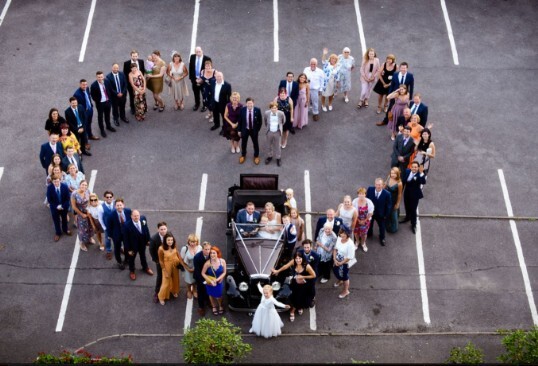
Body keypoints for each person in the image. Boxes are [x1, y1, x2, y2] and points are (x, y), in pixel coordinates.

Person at [272, 251, 315, 322]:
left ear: (302, 258)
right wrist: (277, 271)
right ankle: (298, 307)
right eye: (296, 258)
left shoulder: (306, 266)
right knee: (295, 297)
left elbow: (313, 275)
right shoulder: (293, 262)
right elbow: (285, 266)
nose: (298, 260)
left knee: (301, 298)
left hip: (304, 286)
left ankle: (292, 311)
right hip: (295, 284)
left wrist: (302, 276)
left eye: (299, 258)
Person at [376, 61, 414, 127]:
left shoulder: (410, 76)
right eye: (402, 68)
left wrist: (410, 97)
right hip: (395, 95)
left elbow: (411, 87)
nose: (403, 69)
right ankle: (385, 121)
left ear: (407, 68)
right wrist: (390, 94)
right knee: (390, 109)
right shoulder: (395, 74)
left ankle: (401, 124)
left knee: (403, 111)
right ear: (399, 68)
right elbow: (392, 85)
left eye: (404, 68)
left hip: (404, 96)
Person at [123, 210, 154, 281]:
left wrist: (148, 240)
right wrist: (128, 250)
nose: (136, 217)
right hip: (132, 246)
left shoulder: (143, 219)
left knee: (143, 255)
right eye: (134, 216)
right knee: (131, 259)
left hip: (142, 243)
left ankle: (145, 267)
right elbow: (125, 239)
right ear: (131, 216)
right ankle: (132, 271)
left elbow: (146, 229)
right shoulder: (126, 225)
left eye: (137, 215)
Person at [400, 162, 426, 234]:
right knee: (407, 207)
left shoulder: (419, 174)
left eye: (415, 167)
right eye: (413, 167)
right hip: (407, 193)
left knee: (413, 210)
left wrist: (421, 173)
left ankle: (413, 224)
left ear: (418, 168)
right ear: (410, 167)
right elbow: (403, 181)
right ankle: (407, 217)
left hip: (415, 195)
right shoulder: (407, 171)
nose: (414, 168)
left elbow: (423, 182)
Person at [366, 178, 392, 246]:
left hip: (381, 214)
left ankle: (382, 238)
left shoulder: (387, 194)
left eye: (380, 185)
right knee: (370, 224)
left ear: (383, 185)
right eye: (377, 184)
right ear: (375, 184)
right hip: (371, 213)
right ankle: (369, 233)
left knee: (382, 226)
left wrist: (386, 215)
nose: (378, 186)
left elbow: (388, 206)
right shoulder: (370, 189)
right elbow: (367, 200)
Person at [201, 246, 227, 315]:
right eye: (211, 253)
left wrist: (218, 279)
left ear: (217, 253)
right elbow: (203, 273)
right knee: (211, 295)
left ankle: (220, 305)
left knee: (219, 295)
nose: (212, 255)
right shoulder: (207, 263)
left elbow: (224, 272)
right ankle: (214, 306)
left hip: (219, 282)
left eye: (214, 253)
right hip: (210, 283)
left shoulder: (222, 261)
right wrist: (210, 280)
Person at [107, 198, 131, 270]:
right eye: (117, 205)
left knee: (127, 247)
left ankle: (126, 260)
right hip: (116, 235)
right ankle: (119, 262)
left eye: (120, 205)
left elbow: (131, 221)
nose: (119, 207)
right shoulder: (111, 215)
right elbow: (109, 226)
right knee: (117, 249)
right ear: (115, 206)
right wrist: (110, 235)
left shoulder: (128, 211)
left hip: (126, 234)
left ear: (123, 205)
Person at [90, 71, 115, 138]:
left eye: (101, 77)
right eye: (99, 77)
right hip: (100, 103)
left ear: (103, 76)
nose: (100, 78)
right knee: (100, 117)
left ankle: (108, 126)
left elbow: (110, 90)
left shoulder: (107, 81)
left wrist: (110, 99)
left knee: (107, 114)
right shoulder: (93, 85)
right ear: (96, 77)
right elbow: (93, 95)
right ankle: (102, 130)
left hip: (107, 101)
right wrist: (98, 101)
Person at [238, 97, 263, 165]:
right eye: (248, 103)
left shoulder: (257, 110)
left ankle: (256, 156)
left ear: (253, 103)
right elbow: (239, 121)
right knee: (243, 143)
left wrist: (257, 130)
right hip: (245, 129)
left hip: (253, 130)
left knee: (255, 144)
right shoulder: (242, 110)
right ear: (246, 104)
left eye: (251, 103)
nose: (250, 105)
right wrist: (239, 130)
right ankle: (243, 155)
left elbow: (260, 121)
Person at [46, 176, 72, 242]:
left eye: (57, 181)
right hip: (55, 208)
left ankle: (65, 230)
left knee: (64, 219)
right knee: (56, 220)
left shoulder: (64, 187)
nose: (56, 183)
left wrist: (63, 206)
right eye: (54, 182)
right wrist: (56, 206)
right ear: (52, 182)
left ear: (60, 180)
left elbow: (67, 198)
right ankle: (58, 233)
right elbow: (49, 200)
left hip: (63, 207)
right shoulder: (50, 188)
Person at [71, 180, 94, 252]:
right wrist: (82, 214)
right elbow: (74, 207)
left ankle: (89, 238)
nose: (84, 186)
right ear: (79, 185)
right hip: (81, 213)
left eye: (85, 185)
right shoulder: (74, 194)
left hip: (88, 212)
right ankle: (81, 243)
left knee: (90, 226)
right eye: (82, 185)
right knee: (82, 230)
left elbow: (90, 200)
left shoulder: (88, 191)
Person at [158, 233, 181, 304]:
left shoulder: (174, 245)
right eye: (168, 240)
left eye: (171, 240)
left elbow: (177, 253)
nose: (170, 241)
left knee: (175, 279)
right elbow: (161, 261)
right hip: (166, 266)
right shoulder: (161, 249)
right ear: (165, 240)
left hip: (175, 265)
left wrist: (180, 262)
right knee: (166, 282)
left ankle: (174, 291)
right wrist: (164, 270)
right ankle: (161, 297)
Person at [149, 221, 169, 303]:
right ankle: (157, 293)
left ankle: (169, 290)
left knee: (169, 274)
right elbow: (151, 251)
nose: (163, 231)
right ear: (158, 230)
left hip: (168, 259)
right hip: (160, 261)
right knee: (160, 276)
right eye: (161, 229)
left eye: (165, 229)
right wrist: (157, 261)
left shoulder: (169, 235)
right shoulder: (154, 239)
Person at [333, 227, 355, 298]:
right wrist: (334, 259)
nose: (342, 236)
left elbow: (349, 257)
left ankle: (346, 291)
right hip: (337, 260)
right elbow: (335, 249)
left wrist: (341, 263)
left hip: (345, 263)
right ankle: (340, 280)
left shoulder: (350, 244)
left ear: (348, 235)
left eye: (344, 235)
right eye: (341, 234)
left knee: (345, 277)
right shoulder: (339, 238)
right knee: (336, 271)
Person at [352, 188, 374, 252]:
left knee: (364, 233)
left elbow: (371, 213)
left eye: (363, 194)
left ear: (365, 194)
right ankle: (357, 242)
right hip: (356, 220)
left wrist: (364, 220)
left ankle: (363, 243)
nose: (361, 195)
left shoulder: (369, 202)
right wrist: (358, 220)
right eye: (360, 194)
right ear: (358, 194)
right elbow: (353, 212)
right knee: (356, 232)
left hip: (366, 220)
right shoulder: (355, 201)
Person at [123, 49, 145, 115]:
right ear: (131, 56)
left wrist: (142, 82)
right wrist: (129, 83)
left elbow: (142, 71)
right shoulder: (126, 63)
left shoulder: (141, 61)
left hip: (140, 83)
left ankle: (142, 107)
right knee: (132, 96)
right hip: (131, 83)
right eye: (133, 56)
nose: (134, 57)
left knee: (141, 95)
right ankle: (132, 108)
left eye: (136, 56)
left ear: (138, 56)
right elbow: (125, 74)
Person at [189, 46, 210, 111]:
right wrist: (192, 79)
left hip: (203, 80)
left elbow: (208, 71)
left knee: (204, 93)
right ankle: (197, 104)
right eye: (196, 52)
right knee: (196, 93)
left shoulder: (207, 59)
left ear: (202, 51)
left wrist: (202, 79)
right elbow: (191, 68)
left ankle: (205, 105)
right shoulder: (192, 57)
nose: (198, 53)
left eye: (199, 51)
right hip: (195, 79)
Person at [181, 234, 202, 299]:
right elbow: (181, 260)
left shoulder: (200, 247)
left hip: (197, 268)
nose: (193, 243)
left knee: (195, 280)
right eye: (191, 242)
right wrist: (188, 269)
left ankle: (195, 290)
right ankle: (189, 290)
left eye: (194, 242)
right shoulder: (185, 248)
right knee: (189, 281)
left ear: (197, 242)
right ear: (188, 241)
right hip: (188, 268)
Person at [264, 101, 285, 166]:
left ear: (277, 108)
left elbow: (283, 121)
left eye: (275, 108)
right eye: (272, 108)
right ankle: (270, 156)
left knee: (277, 146)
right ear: (270, 108)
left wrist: (280, 128)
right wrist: (268, 129)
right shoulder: (266, 113)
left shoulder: (281, 113)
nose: (274, 109)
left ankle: (278, 158)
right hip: (269, 131)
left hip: (277, 132)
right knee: (268, 145)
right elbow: (265, 121)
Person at [193, 242, 212, 316]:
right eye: (206, 249)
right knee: (200, 292)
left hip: (209, 276)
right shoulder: (197, 257)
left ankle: (208, 301)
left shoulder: (211, 255)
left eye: (209, 249)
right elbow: (197, 271)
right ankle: (201, 307)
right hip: (200, 278)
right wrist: (203, 281)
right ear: (202, 249)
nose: (207, 251)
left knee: (209, 290)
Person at [385, 168, 403, 234]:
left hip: (393, 200)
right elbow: (385, 184)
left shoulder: (399, 183)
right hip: (387, 199)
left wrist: (397, 204)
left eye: (394, 173)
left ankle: (394, 228)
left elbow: (399, 194)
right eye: (391, 173)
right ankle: (387, 223)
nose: (392, 175)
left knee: (393, 215)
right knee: (387, 212)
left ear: (397, 174)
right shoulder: (389, 177)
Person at [101, 191, 115, 260]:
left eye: (110, 197)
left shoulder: (116, 204)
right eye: (107, 197)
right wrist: (104, 227)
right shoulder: (101, 207)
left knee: (118, 238)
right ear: (104, 198)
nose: (109, 198)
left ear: (113, 197)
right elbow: (100, 218)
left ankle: (120, 248)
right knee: (107, 239)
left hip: (116, 226)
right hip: (107, 227)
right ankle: (109, 251)